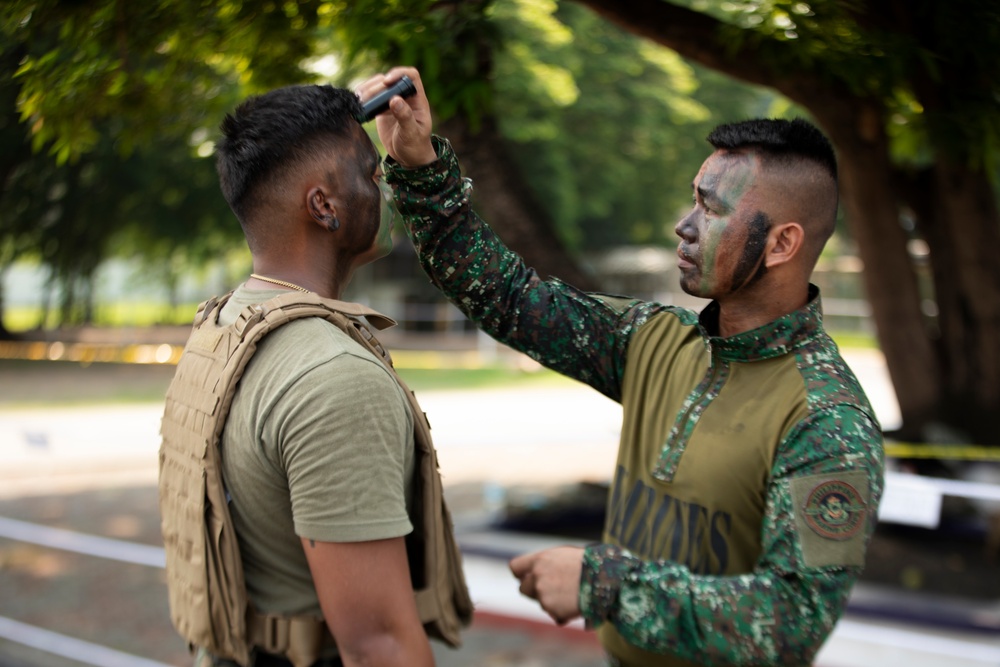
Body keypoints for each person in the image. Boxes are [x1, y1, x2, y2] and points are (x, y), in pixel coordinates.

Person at [359, 67, 884, 666]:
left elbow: (793, 621)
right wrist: (421, 167)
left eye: (711, 210)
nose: (684, 227)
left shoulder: (828, 420)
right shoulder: (654, 340)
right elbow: (505, 296)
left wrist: (604, 584)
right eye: (693, 200)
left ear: (782, 244)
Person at [158, 83, 469, 667]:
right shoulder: (334, 377)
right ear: (324, 205)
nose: (385, 187)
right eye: (373, 175)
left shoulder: (224, 326)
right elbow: (378, 645)